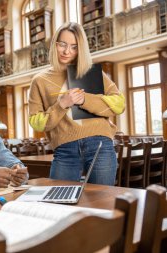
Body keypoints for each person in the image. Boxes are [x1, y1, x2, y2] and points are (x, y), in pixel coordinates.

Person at [28, 22, 125, 185]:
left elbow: (119, 104)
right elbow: (36, 123)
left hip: (100, 144)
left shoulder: (91, 72)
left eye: (74, 47)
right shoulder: (39, 80)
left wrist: (85, 99)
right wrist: (61, 105)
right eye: (63, 45)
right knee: (60, 201)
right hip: (65, 149)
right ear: (54, 44)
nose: (67, 51)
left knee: (101, 203)